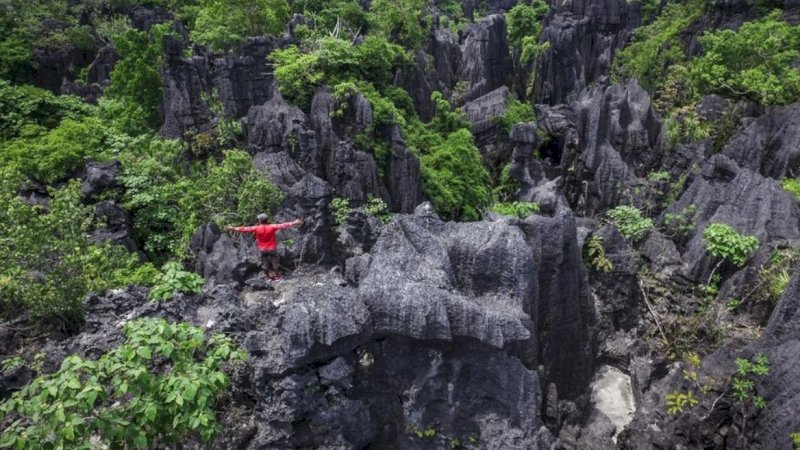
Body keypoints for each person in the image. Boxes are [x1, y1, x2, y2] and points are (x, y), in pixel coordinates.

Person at [225, 214, 303, 282]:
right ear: (266, 220)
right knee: (275, 262)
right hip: (272, 248)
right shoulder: (272, 227)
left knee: (264, 263)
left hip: (262, 249)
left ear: (260, 221)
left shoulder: (256, 228)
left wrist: (232, 228)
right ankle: (277, 277)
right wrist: (295, 222)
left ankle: (268, 277)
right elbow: (283, 225)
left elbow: (244, 229)